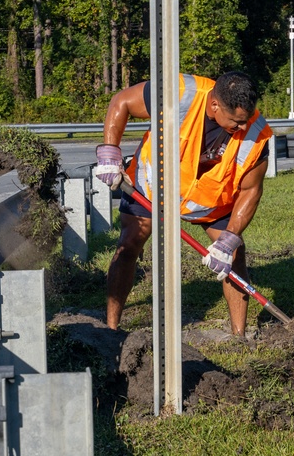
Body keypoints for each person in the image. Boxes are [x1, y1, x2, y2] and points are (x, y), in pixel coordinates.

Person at [95, 72, 272, 337]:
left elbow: (251, 190)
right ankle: (111, 330)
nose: (242, 129)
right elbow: (122, 102)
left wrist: (229, 239)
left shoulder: (256, 132)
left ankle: (239, 336)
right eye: (236, 123)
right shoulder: (179, 92)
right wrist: (110, 153)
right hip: (152, 188)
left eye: (246, 121)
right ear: (214, 106)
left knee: (235, 255)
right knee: (129, 243)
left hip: (208, 201)